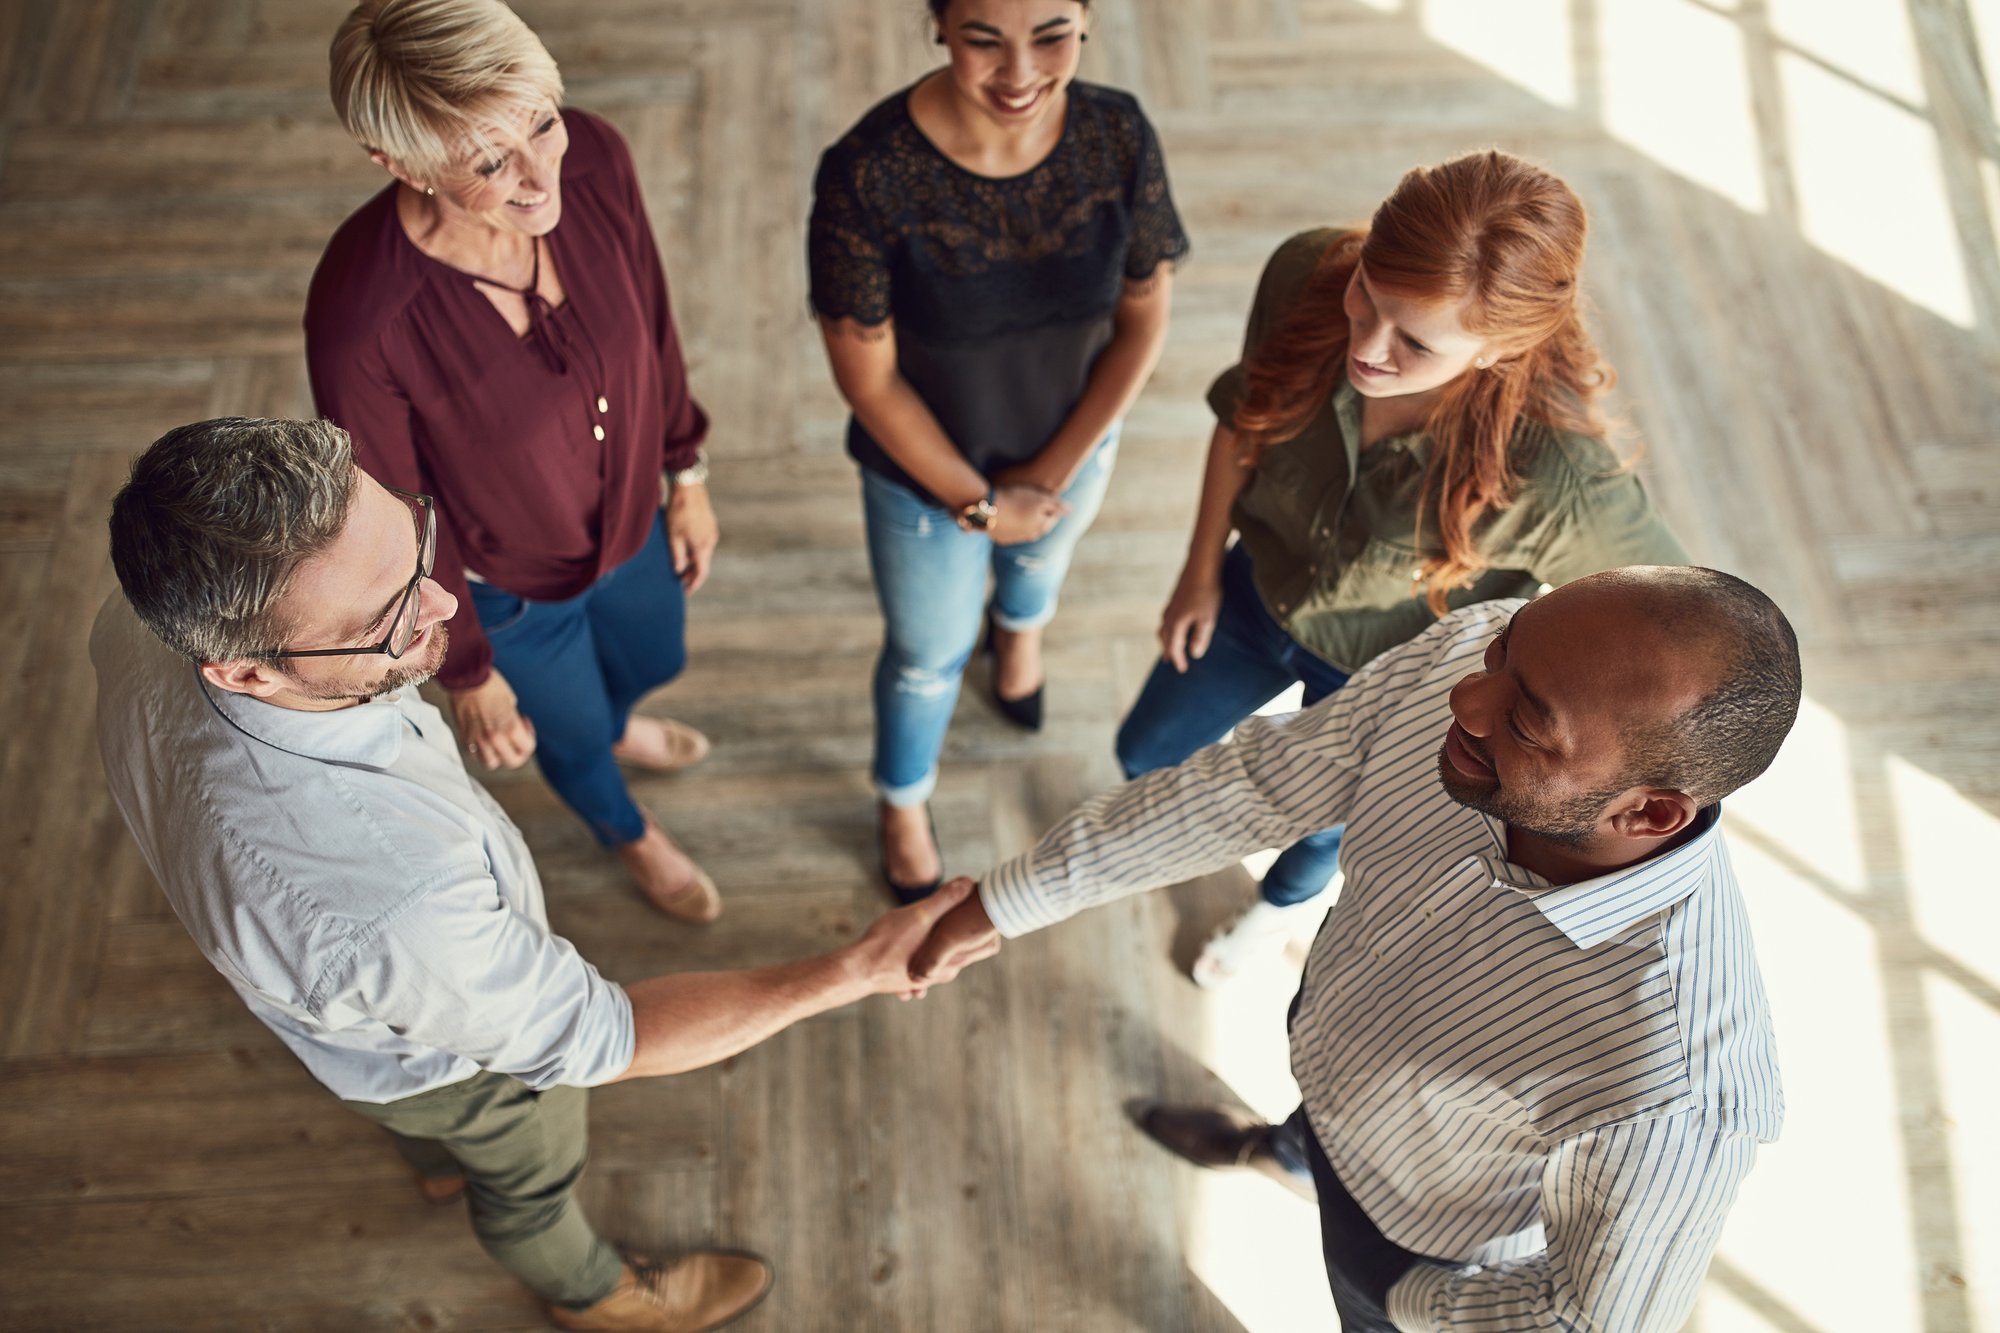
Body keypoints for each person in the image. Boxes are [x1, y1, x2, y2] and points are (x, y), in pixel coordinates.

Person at [93, 417, 992, 1333]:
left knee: (400, 1091)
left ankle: (434, 1156)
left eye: (415, 545)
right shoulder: (393, 904)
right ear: (244, 670)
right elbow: (606, 1038)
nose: (445, 605)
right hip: (444, 1056)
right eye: (387, 619)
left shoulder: (138, 612)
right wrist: (854, 970)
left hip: (350, 1009)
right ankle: (592, 1292)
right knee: (530, 1168)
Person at [912, 565, 1802, 1331]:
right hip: (1336, 1059)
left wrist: (1405, 1294)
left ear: (1646, 812)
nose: (1467, 692)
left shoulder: (1677, 1088)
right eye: (1504, 653)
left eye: (1527, 721)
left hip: (1417, 1239)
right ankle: (1281, 1150)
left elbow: (1580, 1318)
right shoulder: (1482, 655)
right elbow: (1255, 785)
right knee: (1310, 1121)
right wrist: (1005, 899)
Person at [1116, 151, 1688, 986]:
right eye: (1366, 296)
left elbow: (1675, 630)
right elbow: (1246, 422)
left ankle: (1277, 911)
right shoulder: (1307, 271)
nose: (1367, 347)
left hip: (1384, 678)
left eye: (1413, 341)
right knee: (1145, 750)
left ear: (1498, 349)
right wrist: (1198, 568)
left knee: (1320, 831)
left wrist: (1516, 697)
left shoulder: (1560, 477)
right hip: (1253, 592)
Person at [307, 0, 723, 922]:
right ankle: (625, 828)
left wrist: (684, 473)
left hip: (634, 528)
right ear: (398, 163)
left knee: (656, 650)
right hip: (505, 597)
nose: (541, 177)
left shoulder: (600, 158)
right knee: (567, 737)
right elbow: (396, 514)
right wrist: (467, 669)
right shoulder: (361, 317)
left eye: (542, 122)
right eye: (489, 162)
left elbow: (652, 317)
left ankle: (619, 724)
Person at [809, 0, 1189, 901]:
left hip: (1075, 444)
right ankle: (903, 799)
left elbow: (1143, 323)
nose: (1020, 74)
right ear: (937, 22)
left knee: (1040, 571)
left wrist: (1044, 481)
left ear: (1090, 18)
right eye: (984, 38)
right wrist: (982, 505)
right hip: (924, 483)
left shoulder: (1119, 133)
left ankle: (1019, 642)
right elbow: (869, 381)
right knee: (925, 658)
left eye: (1051, 33)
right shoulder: (866, 173)